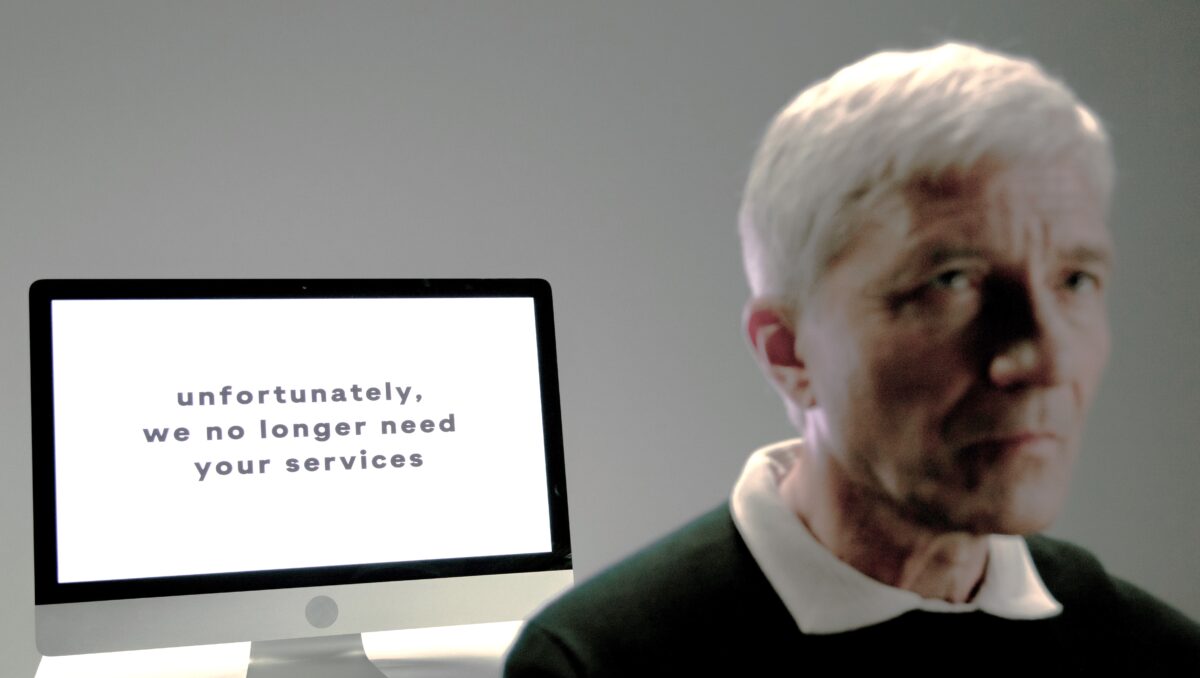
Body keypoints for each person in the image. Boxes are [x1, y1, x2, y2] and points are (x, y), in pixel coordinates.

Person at [504, 42, 1200, 675]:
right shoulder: (593, 666)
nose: (1044, 358)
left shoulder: (1153, 655)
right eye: (951, 281)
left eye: (1075, 280)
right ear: (788, 352)